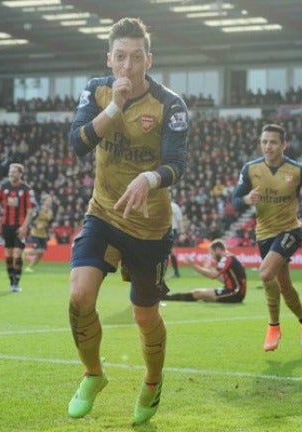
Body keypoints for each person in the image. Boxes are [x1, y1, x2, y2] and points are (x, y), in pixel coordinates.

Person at [66, 17, 189, 425]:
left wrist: (149, 177)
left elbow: (176, 164)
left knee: (144, 314)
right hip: (103, 212)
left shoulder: (170, 104)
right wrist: (114, 108)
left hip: (150, 226)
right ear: (109, 58)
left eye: (137, 57)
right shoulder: (96, 90)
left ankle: (153, 382)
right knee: (80, 296)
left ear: (149, 60)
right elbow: (77, 143)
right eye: (120, 57)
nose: (128, 66)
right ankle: (93, 374)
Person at [232, 123, 302, 352]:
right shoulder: (250, 169)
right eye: (264, 142)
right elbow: (234, 201)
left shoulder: (297, 169)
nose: (268, 146)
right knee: (285, 286)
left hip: (290, 230)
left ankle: (274, 326)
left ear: (284, 144)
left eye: (273, 142)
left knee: (265, 273)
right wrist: (246, 200)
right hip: (264, 234)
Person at [0, 163, 34, 293]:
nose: (11, 174)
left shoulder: (26, 190)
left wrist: (24, 227)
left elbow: (30, 211)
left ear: (20, 174)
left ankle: (16, 283)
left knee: (17, 254)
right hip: (6, 226)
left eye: (13, 172)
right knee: (8, 255)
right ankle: (11, 280)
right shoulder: (3, 187)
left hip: (20, 227)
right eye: (10, 172)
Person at [161, 239, 246, 303]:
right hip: (234, 292)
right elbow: (224, 280)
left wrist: (193, 265)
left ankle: (168, 298)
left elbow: (213, 275)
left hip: (235, 293)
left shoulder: (226, 258)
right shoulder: (229, 257)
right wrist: (209, 269)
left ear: (218, 249)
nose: (213, 257)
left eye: (212, 253)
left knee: (199, 294)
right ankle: (169, 297)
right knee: (200, 294)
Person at [23, 194, 53, 273]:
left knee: (41, 253)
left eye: (51, 201)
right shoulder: (38, 210)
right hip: (35, 233)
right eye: (49, 200)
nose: (50, 202)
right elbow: (30, 221)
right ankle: (25, 251)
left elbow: (48, 222)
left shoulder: (50, 212)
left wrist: (46, 227)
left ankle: (29, 267)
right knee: (39, 250)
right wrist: (36, 226)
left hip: (43, 235)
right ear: (44, 201)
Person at [169, 200, 184, 277]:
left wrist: (182, 233)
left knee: (171, 251)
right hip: (161, 230)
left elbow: (179, 220)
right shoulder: (160, 205)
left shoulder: (174, 206)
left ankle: (176, 272)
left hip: (171, 230)